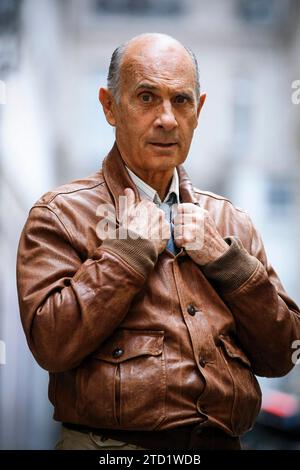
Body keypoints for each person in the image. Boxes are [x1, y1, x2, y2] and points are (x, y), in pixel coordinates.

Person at [16, 33, 300, 451]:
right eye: (146, 97)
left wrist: (225, 261)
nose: (167, 118)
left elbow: (285, 354)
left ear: (198, 111)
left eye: (181, 100)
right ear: (110, 106)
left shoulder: (230, 222)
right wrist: (126, 253)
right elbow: (51, 345)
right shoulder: (60, 215)